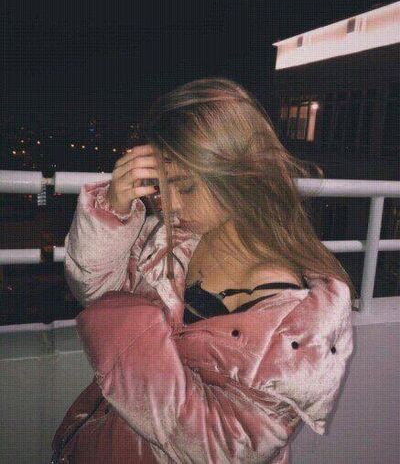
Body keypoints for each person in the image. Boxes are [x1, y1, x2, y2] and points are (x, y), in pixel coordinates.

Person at [52, 77, 356, 463]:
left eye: (185, 187)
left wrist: (123, 330)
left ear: (238, 175)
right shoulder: (177, 238)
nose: (169, 205)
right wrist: (114, 209)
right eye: (162, 185)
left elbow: (218, 448)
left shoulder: (299, 331)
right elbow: (93, 289)